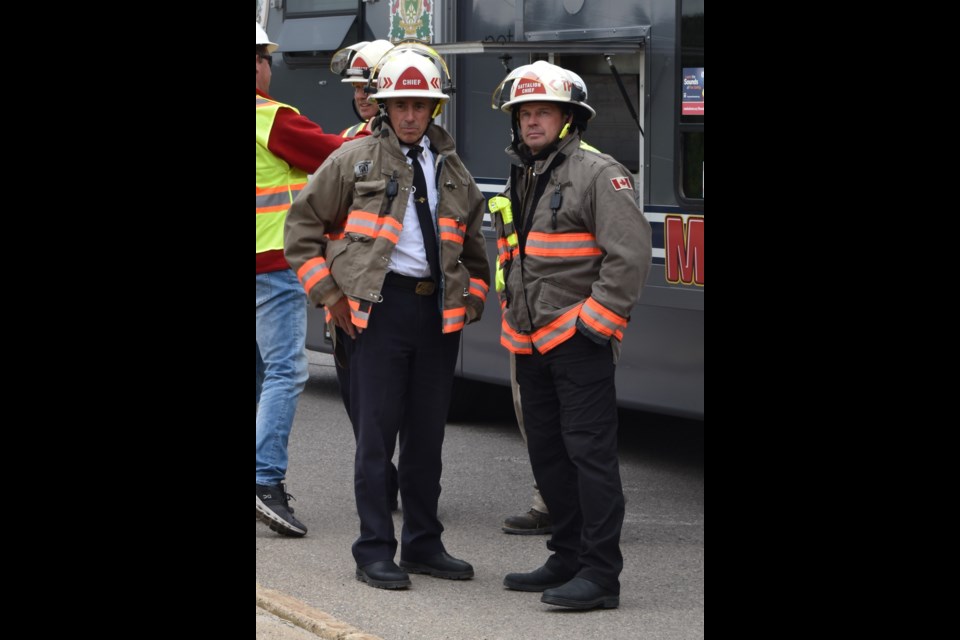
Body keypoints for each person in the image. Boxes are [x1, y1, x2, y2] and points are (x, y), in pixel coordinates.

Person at [284, 46, 490, 590]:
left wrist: (475, 298)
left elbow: (472, 242)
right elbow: (300, 232)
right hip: (377, 314)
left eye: (420, 105)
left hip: (435, 316)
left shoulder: (451, 166)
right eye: (399, 104)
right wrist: (329, 296)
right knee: (375, 440)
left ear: (433, 109)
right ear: (382, 105)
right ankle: (374, 550)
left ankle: (424, 544)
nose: (409, 114)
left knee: (426, 441)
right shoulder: (353, 160)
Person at [490, 60, 652, 610]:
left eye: (543, 113)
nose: (531, 122)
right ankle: (565, 555)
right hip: (529, 340)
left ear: (568, 119)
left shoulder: (599, 174)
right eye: (525, 113)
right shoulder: (525, 171)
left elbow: (628, 259)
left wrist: (593, 327)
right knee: (548, 456)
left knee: (590, 457)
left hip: (577, 342)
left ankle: (601, 574)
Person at [256, 22, 368, 537]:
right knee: (286, 372)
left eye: (266, 58)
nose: (265, 68)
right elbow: (335, 156)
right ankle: (265, 482)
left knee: (261, 377)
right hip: (272, 266)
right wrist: (376, 135)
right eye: (263, 59)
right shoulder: (271, 118)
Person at [329, 38, 400, 513]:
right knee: (356, 394)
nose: (362, 95)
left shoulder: (416, 146)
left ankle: (400, 479)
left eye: (369, 86)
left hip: (394, 292)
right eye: (357, 87)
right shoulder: (345, 141)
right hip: (347, 292)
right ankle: (379, 479)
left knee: (402, 400)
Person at [333, 39, 395, 138]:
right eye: (357, 87)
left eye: (368, 88)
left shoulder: (412, 135)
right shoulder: (347, 135)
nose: (360, 96)